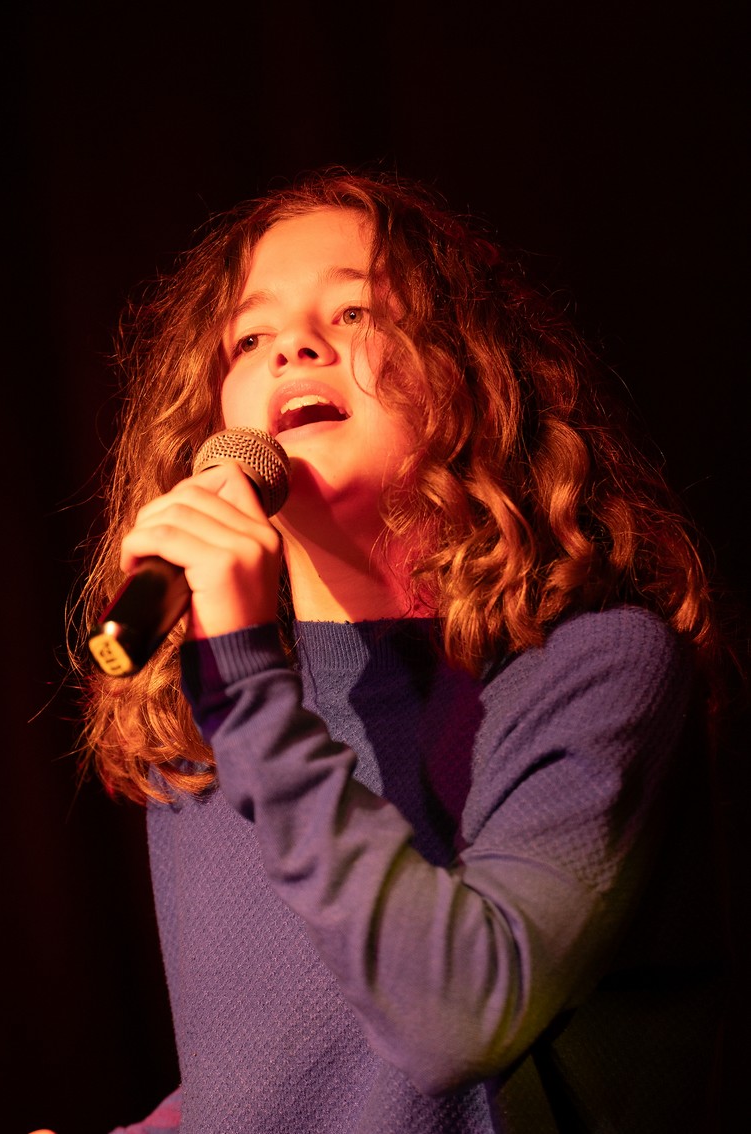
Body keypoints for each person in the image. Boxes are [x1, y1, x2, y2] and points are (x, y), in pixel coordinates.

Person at [66, 170, 728, 1132]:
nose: (294, 345)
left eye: (355, 311)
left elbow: (455, 1022)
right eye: (248, 338)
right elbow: (290, 1076)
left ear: (469, 373)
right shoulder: (197, 707)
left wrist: (246, 684)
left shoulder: (588, 665)